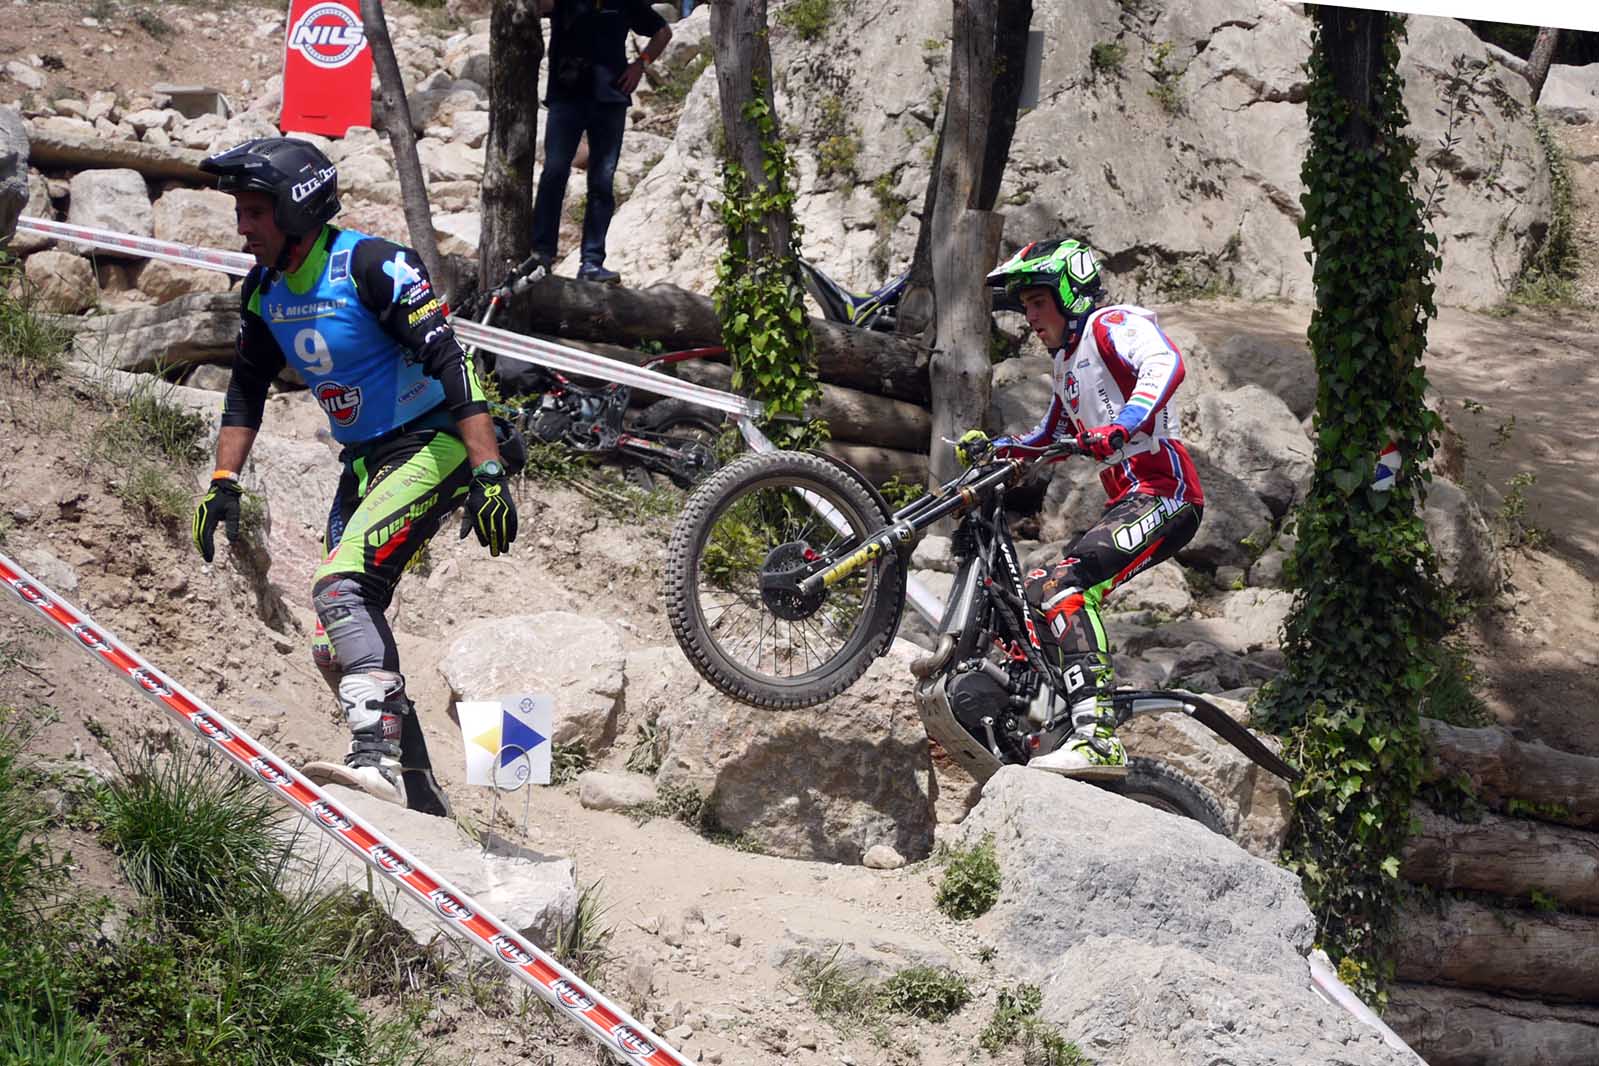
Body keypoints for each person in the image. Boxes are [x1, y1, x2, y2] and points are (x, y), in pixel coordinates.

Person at [190, 137, 521, 815]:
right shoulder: (263, 291)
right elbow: (246, 389)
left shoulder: (373, 265)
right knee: (333, 644)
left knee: (341, 587)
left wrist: (488, 470)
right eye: (239, 212)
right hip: (363, 460)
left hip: (432, 442)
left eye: (255, 212)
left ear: (295, 209)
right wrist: (224, 478)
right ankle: (421, 799)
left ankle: (377, 761)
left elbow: (453, 363)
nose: (242, 227)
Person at [963, 237, 1204, 779]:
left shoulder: (1110, 324)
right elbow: (1047, 436)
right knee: (1033, 590)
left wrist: (1124, 423)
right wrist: (997, 449)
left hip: (1167, 491)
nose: (1029, 317)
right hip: (1130, 498)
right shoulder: (1066, 363)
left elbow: (1165, 362)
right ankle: (1043, 713)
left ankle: (1098, 737)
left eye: (1037, 303)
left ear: (1070, 294)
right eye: (1024, 307)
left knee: (1067, 586)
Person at [532, 0, 672, 284]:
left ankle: (592, 263)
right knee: (554, 172)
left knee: (602, 182)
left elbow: (663, 32)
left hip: (610, 100)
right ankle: (541, 256)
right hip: (566, 97)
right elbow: (536, 6)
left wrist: (640, 65)